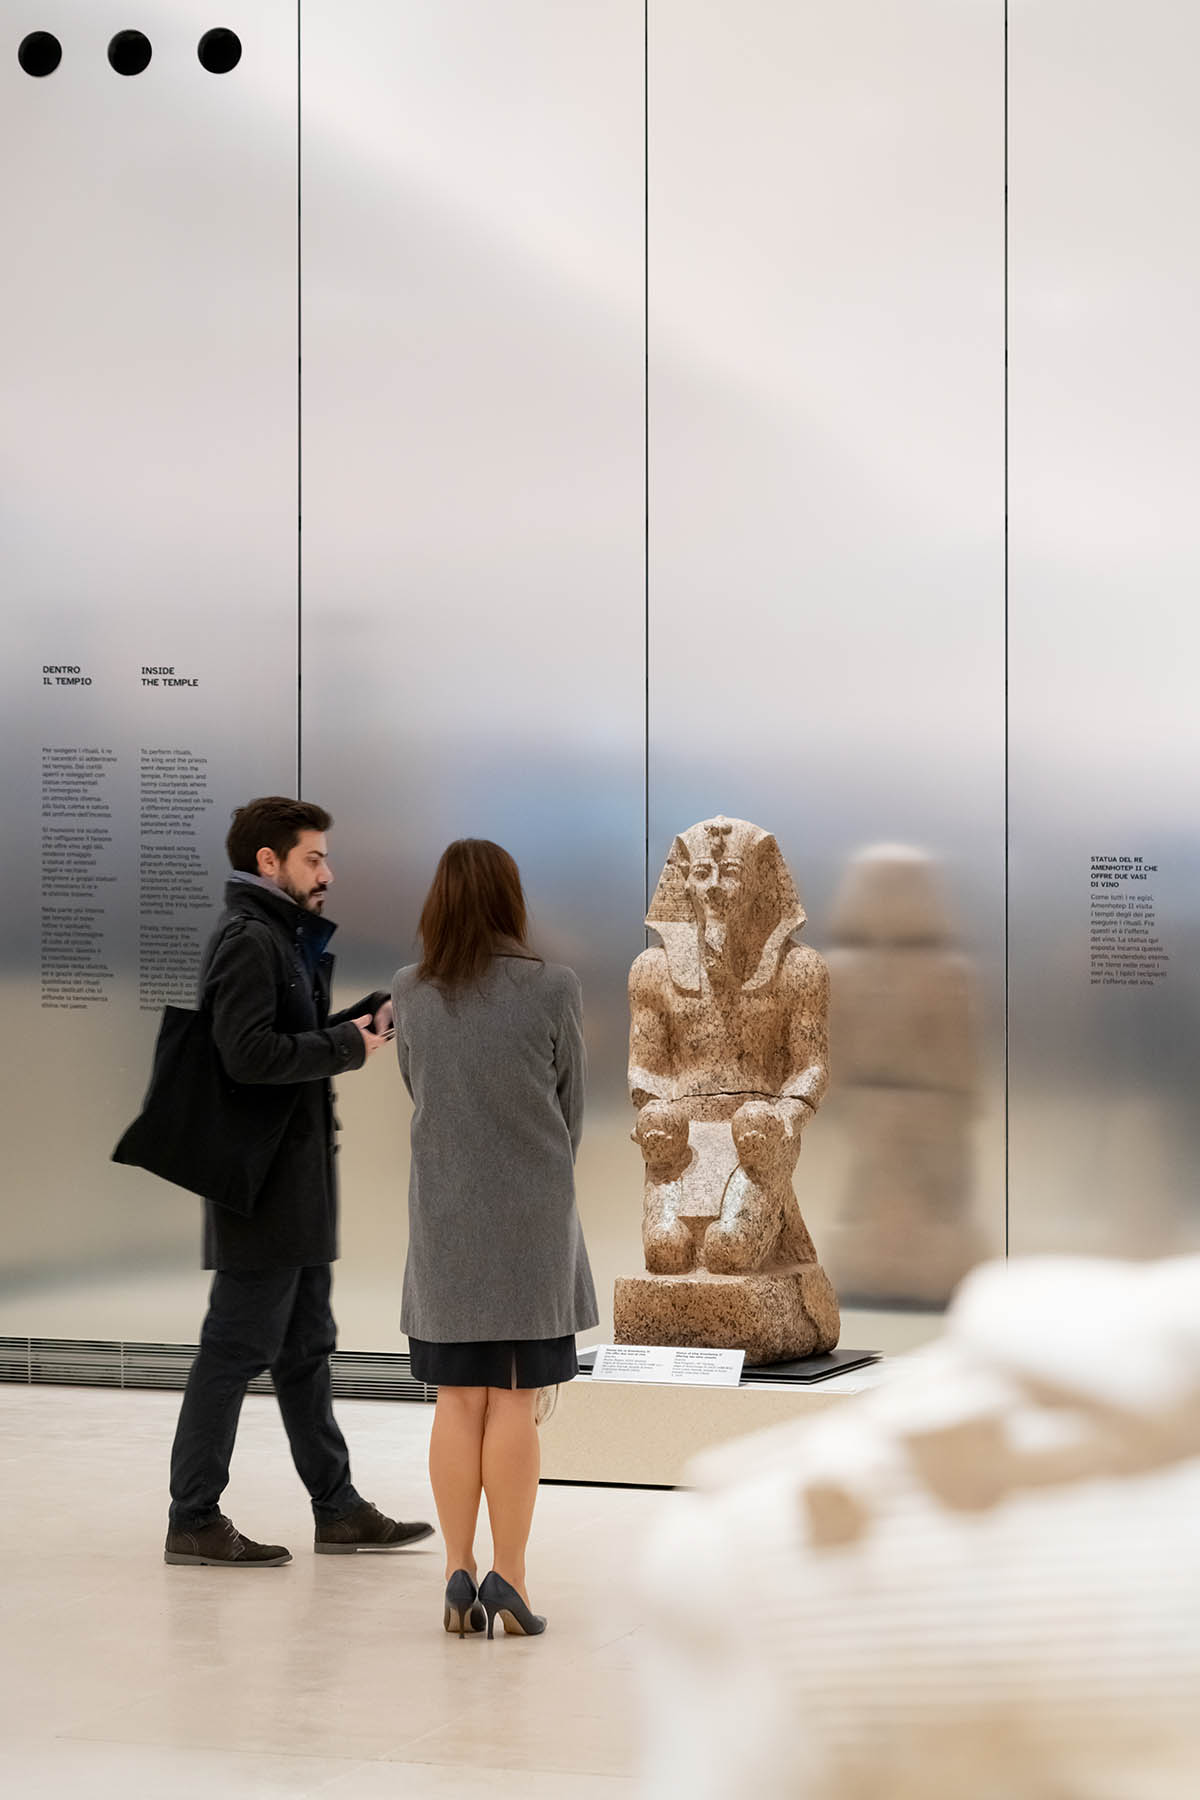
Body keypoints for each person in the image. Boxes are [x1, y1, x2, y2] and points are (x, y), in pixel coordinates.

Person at [165, 796, 432, 1567]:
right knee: (235, 1346)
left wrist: (356, 1020)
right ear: (268, 863)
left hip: (299, 1182)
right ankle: (192, 1516)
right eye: (314, 858)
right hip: (264, 1186)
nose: (328, 872)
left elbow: (286, 1039)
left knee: (305, 1347)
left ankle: (339, 1509)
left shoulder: (283, 939)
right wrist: (345, 1045)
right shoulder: (249, 939)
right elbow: (245, 1056)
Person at [391, 839, 597, 1637]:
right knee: (514, 1399)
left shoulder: (412, 991)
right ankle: (509, 1577)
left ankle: (457, 1569)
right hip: (530, 1219)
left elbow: (418, 1086)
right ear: (511, 899)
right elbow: (572, 1107)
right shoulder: (553, 987)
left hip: (444, 1217)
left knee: (456, 1399)